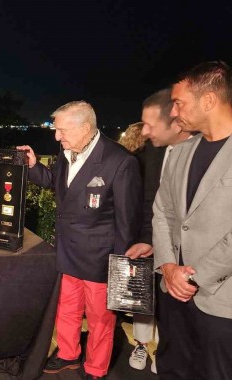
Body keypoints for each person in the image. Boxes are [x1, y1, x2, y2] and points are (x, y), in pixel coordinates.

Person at [18, 101, 141, 380]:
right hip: (68, 249)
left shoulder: (120, 161)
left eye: (61, 130)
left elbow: (127, 220)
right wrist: (35, 166)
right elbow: (55, 182)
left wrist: (120, 267)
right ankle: (68, 355)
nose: (56, 136)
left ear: (85, 127)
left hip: (100, 257)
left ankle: (96, 369)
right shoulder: (67, 151)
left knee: (100, 318)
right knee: (67, 308)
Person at [153, 61, 232, 380]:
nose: (173, 112)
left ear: (209, 100)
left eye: (178, 103)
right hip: (172, 295)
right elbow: (163, 213)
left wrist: (194, 277)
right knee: (171, 370)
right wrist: (169, 268)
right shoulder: (180, 152)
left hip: (220, 302)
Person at [123, 88, 191, 374]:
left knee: (173, 305)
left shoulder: (200, 152)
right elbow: (151, 199)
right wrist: (146, 239)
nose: (144, 132)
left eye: (150, 124)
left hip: (186, 252)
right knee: (144, 293)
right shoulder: (153, 150)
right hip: (153, 239)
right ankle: (142, 344)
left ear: (175, 119)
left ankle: (163, 351)